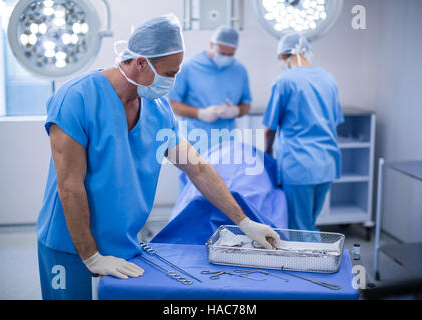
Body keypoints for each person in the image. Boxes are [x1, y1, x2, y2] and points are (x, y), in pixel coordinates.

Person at [36, 14, 279, 300]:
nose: (174, 81)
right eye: (170, 73)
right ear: (141, 63)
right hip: (69, 243)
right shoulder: (76, 99)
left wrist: (244, 222)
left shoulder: (158, 110)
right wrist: (90, 256)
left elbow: (198, 169)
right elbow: (69, 186)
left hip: (122, 242)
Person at [263, 32, 345, 232]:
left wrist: (268, 154)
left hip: (299, 167)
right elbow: (335, 121)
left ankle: (311, 263)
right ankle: (318, 259)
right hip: (327, 165)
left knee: (299, 230)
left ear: (284, 56)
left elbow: (269, 129)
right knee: (309, 224)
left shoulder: (284, 82)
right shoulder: (329, 79)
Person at [168, 25, 252, 155]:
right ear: (212, 44)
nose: (226, 57)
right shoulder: (188, 67)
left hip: (227, 147)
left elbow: (246, 104)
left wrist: (235, 110)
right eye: (222, 53)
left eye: (231, 54)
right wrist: (200, 113)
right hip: (194, 144)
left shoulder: (240, 70)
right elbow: (172, 104)